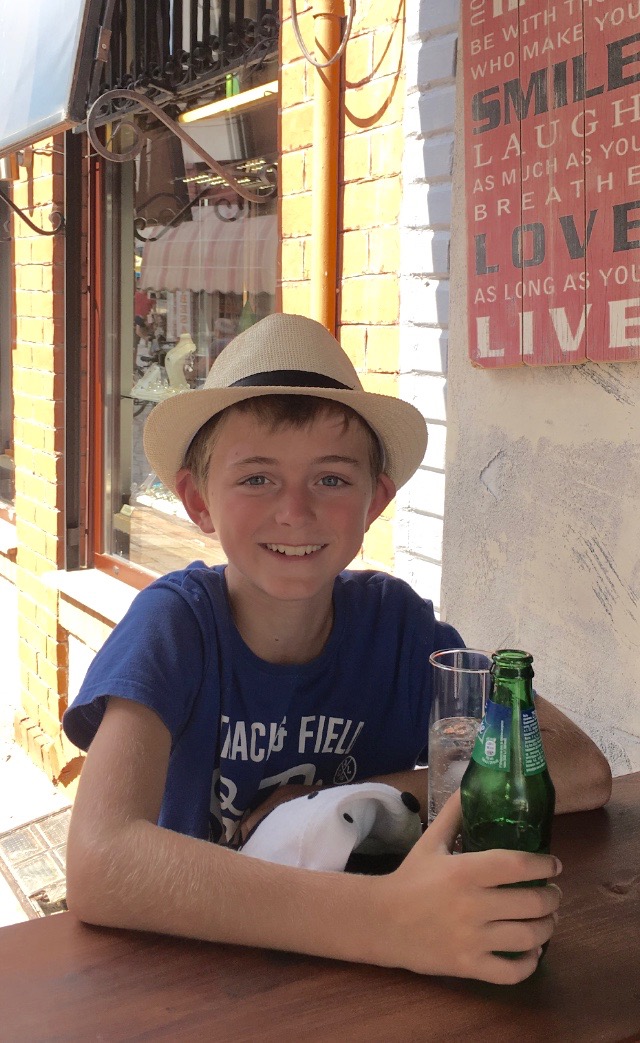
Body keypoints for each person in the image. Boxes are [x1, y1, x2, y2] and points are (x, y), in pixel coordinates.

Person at [62, 313, 612, 985]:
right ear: (198, 500)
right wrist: (386, 921)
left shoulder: (396, 629)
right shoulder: (175, 627)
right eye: (257, 478)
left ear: (375, 501)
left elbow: (580, 768)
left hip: (360, 982)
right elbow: (100, 859)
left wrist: (359, 796)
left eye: (331, 479)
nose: (295, 510)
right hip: (199, 980)